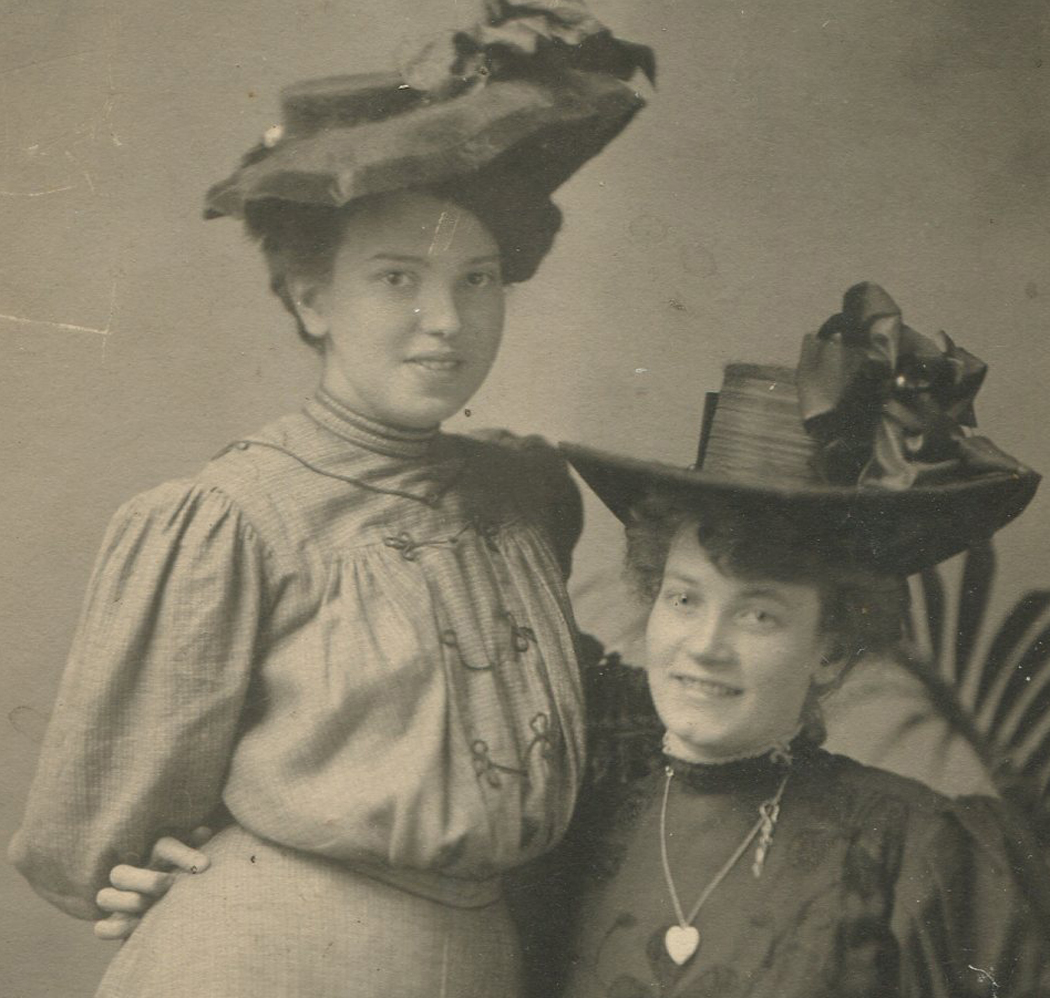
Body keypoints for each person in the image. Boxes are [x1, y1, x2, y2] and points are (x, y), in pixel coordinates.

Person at [7, 4, 653, 996]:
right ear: (313, 299)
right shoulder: (231, 516)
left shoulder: (525, 493)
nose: (446, 321)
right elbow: (94, 832)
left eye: (477, 279)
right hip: (276, 960)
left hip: (484, 959)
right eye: (398, 278)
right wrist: (134, 869)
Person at [550, 282, 1050, 995]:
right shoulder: (579, 821)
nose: (706, 645)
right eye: (685, 599)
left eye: (759, 615)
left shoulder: (909, 846)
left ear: (831, 647)